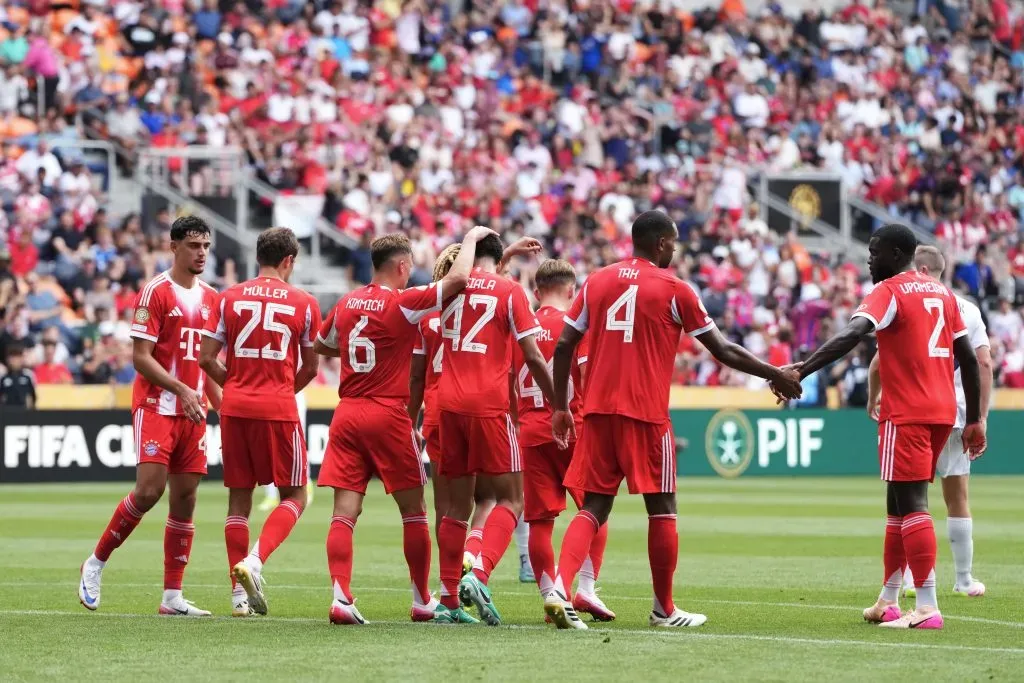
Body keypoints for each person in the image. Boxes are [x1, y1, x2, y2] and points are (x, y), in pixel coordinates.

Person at [546, 210, 803, 630]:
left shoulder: (596, 281)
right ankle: (663, 609)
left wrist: (560, 407)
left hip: (597, 410)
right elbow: (722, 350)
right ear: (663, 243)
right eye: (675, 242)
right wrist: (775, 373)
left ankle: (558, 585)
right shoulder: (674, 288)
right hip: (646, 414)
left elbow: (563, 347)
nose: (676, 249)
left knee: (594, 506)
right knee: (663, 509)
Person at [772, 224, 986, 630]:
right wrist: (974, 418)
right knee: (897, 504)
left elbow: (853, 334)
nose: (869, 259)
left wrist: (801, 369)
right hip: (942, 411)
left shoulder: (889, 291)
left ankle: (926, 606)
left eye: (875, 252)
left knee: (913, 505)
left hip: (905, 411)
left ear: (896, 253)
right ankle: (888, 599)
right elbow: (970, 360)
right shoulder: (942, 292)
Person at [313, 227, 495, 625]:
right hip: (387, 413)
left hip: (347, 413)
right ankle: (421, 599)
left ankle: (340, 597)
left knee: (344, 513)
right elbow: (459, 280)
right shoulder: (405, 302)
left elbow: (321, 344)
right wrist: (470, 240)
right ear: (400, 265)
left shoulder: (346, 303)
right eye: (409, 264)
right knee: (413, 511)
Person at [78, 216, 222, 616]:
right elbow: (140, 358)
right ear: (173, 246)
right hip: (158, 405)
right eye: (194, 245)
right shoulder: (155, 292)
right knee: (148, 491)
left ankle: (172, 596)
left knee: (186, 498)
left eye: (206, 246)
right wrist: (180, 389)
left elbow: (207, 363)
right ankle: (95, 563)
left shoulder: (212, 297)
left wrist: (224, 406)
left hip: (194, 412)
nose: (201, 253)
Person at [198, 227, 321, 617]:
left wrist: (233, 385)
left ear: (258, 257)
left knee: (239, 500)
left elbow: (205, 358)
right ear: (288, 261)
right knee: (296, 495)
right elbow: (312, 367)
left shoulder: (228, 297)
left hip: (235, 408)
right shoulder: (304, 302)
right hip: (277, 409)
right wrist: (283, 388)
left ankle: (237, 598)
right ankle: (254, 561)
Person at [435, 233, 557, 626]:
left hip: (448, 407)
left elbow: (476, 278)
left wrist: (496, 250)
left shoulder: (447, 289)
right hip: (490, 407)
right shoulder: (511, 292)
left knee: (456, 509)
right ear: (496, 258)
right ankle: (481, 572)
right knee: (511, 500)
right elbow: (534, 357)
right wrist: (559, 405)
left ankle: (449, 600)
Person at [867, 245, 992, 599]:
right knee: (958, 497)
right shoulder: (963, 306)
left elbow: (878, 361)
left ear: (918, 267)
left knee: (908, 499)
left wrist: (873, 396)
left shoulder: (906, 297)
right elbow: (981, 363)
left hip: (911, 408)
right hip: (954, 409)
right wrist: (979, 417)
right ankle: (964, 579)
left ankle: (913, 585)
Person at [515, 258, 614, 622]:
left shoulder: (521, 327)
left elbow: (509, 380)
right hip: (575, 428)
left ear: (537, 291)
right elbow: (588, 374)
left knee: (540, 522)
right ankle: (584, 589)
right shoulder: (576, 326)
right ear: (572, 291)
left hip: (531, 430)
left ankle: (550, 596)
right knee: (595, 511)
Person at [0, 343, 35, 407]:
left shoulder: (27, 377)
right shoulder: (3, 378)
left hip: (24, 413)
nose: (15, 360)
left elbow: (32, 397)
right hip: (7, 413)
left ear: (22, 358)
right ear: (8, 359)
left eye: (17, 356)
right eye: (12, 356)